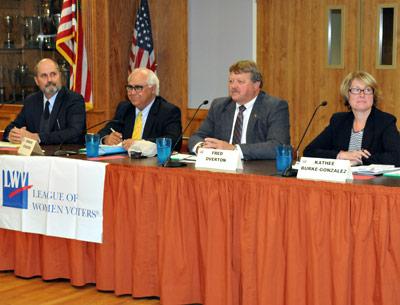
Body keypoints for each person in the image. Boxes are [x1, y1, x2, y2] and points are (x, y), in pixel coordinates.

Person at [188, 60, 290, 160]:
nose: (233, 86)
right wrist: (201, 148)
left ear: (256, 85)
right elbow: (196, 137)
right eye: (231, 81)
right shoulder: (219, 106)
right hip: (221, 167)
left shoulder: (274, 107)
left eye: (240, 82)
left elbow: (278, 146)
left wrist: (234, 149)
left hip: (256, 170)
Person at [303, 71, 400, 166]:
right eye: (356, 90)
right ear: (347, 94)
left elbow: (396, 156)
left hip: (371, 181)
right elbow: (310, 151)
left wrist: (361, 159)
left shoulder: (385, 121)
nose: (362, 95)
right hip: (340, 179)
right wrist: (341, 155)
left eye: (367, 90)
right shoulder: (338, 121)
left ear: (373, 96)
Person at [3, 58, 86, 144]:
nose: (49, 79)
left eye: (53, 74)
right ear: (36, 81)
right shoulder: (31, 101)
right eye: (44, 76)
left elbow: (75, 133)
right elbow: (12, 127)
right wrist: (12, 135)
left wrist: (37, 137)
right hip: (34, 156)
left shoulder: (73, 99)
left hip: (64, 156)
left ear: (60, 76)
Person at [98, 67, 182, 151]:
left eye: (138, 88)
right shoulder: (124, 108)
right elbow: (103, 132)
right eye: (130, 87)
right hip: (124, 161)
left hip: (152, 163)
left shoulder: (168, 111)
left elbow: (173, 141)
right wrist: (106, 139)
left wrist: (140, 144)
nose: (132, 92)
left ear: (152, 89)